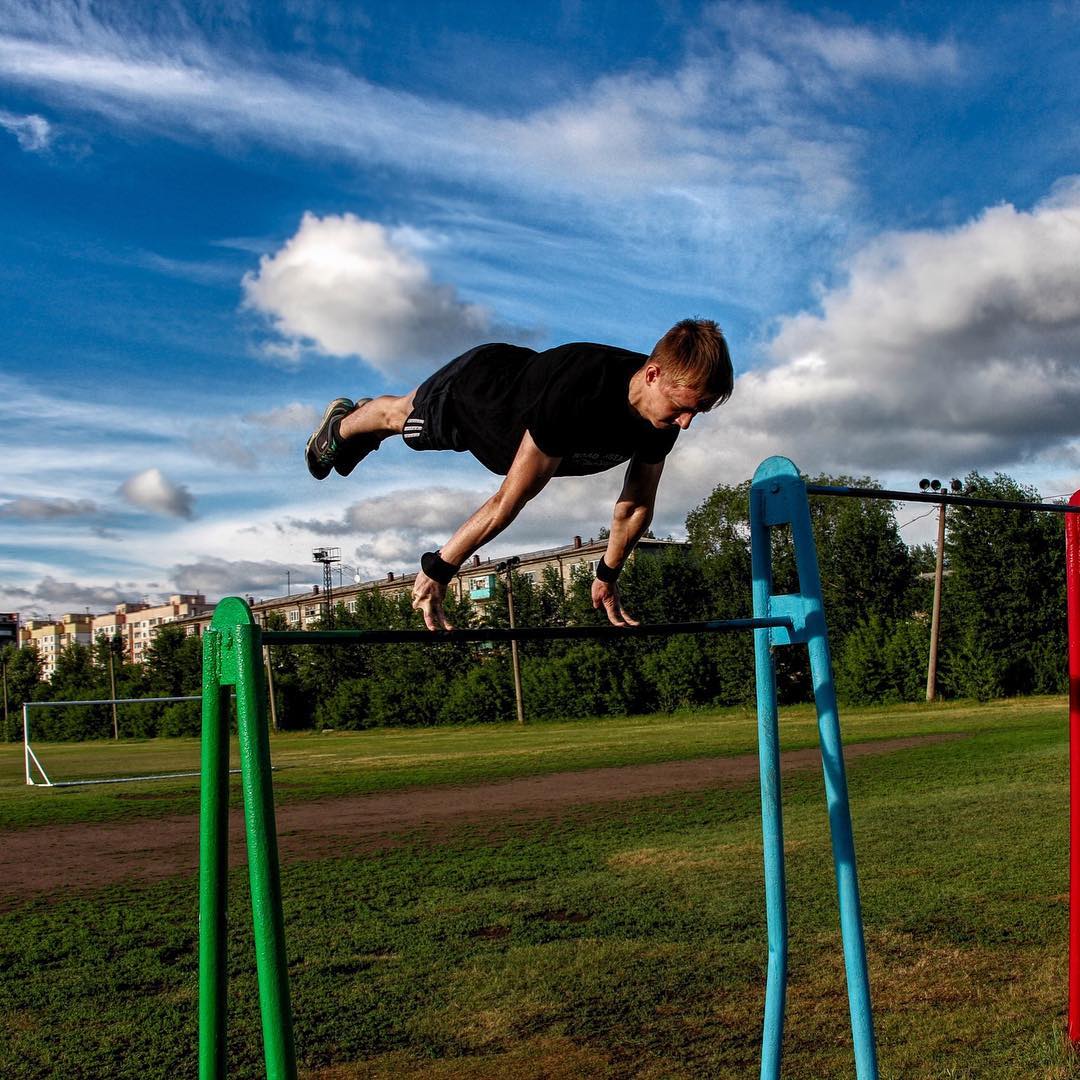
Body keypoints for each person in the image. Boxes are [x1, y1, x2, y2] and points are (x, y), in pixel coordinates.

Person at [305, 318, 733, 631]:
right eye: (682, 407)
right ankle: (343, 425)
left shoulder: (661, 419)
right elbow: (510, 499)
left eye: (696, 411)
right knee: (402, 419)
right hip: (478, 393)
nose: (686, 423)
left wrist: (607, 575)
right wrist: (439, 568)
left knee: (403, 424)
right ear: (654, 375)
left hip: (518, 412)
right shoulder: (579, 396)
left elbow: (636, 504)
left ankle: (360, 421)